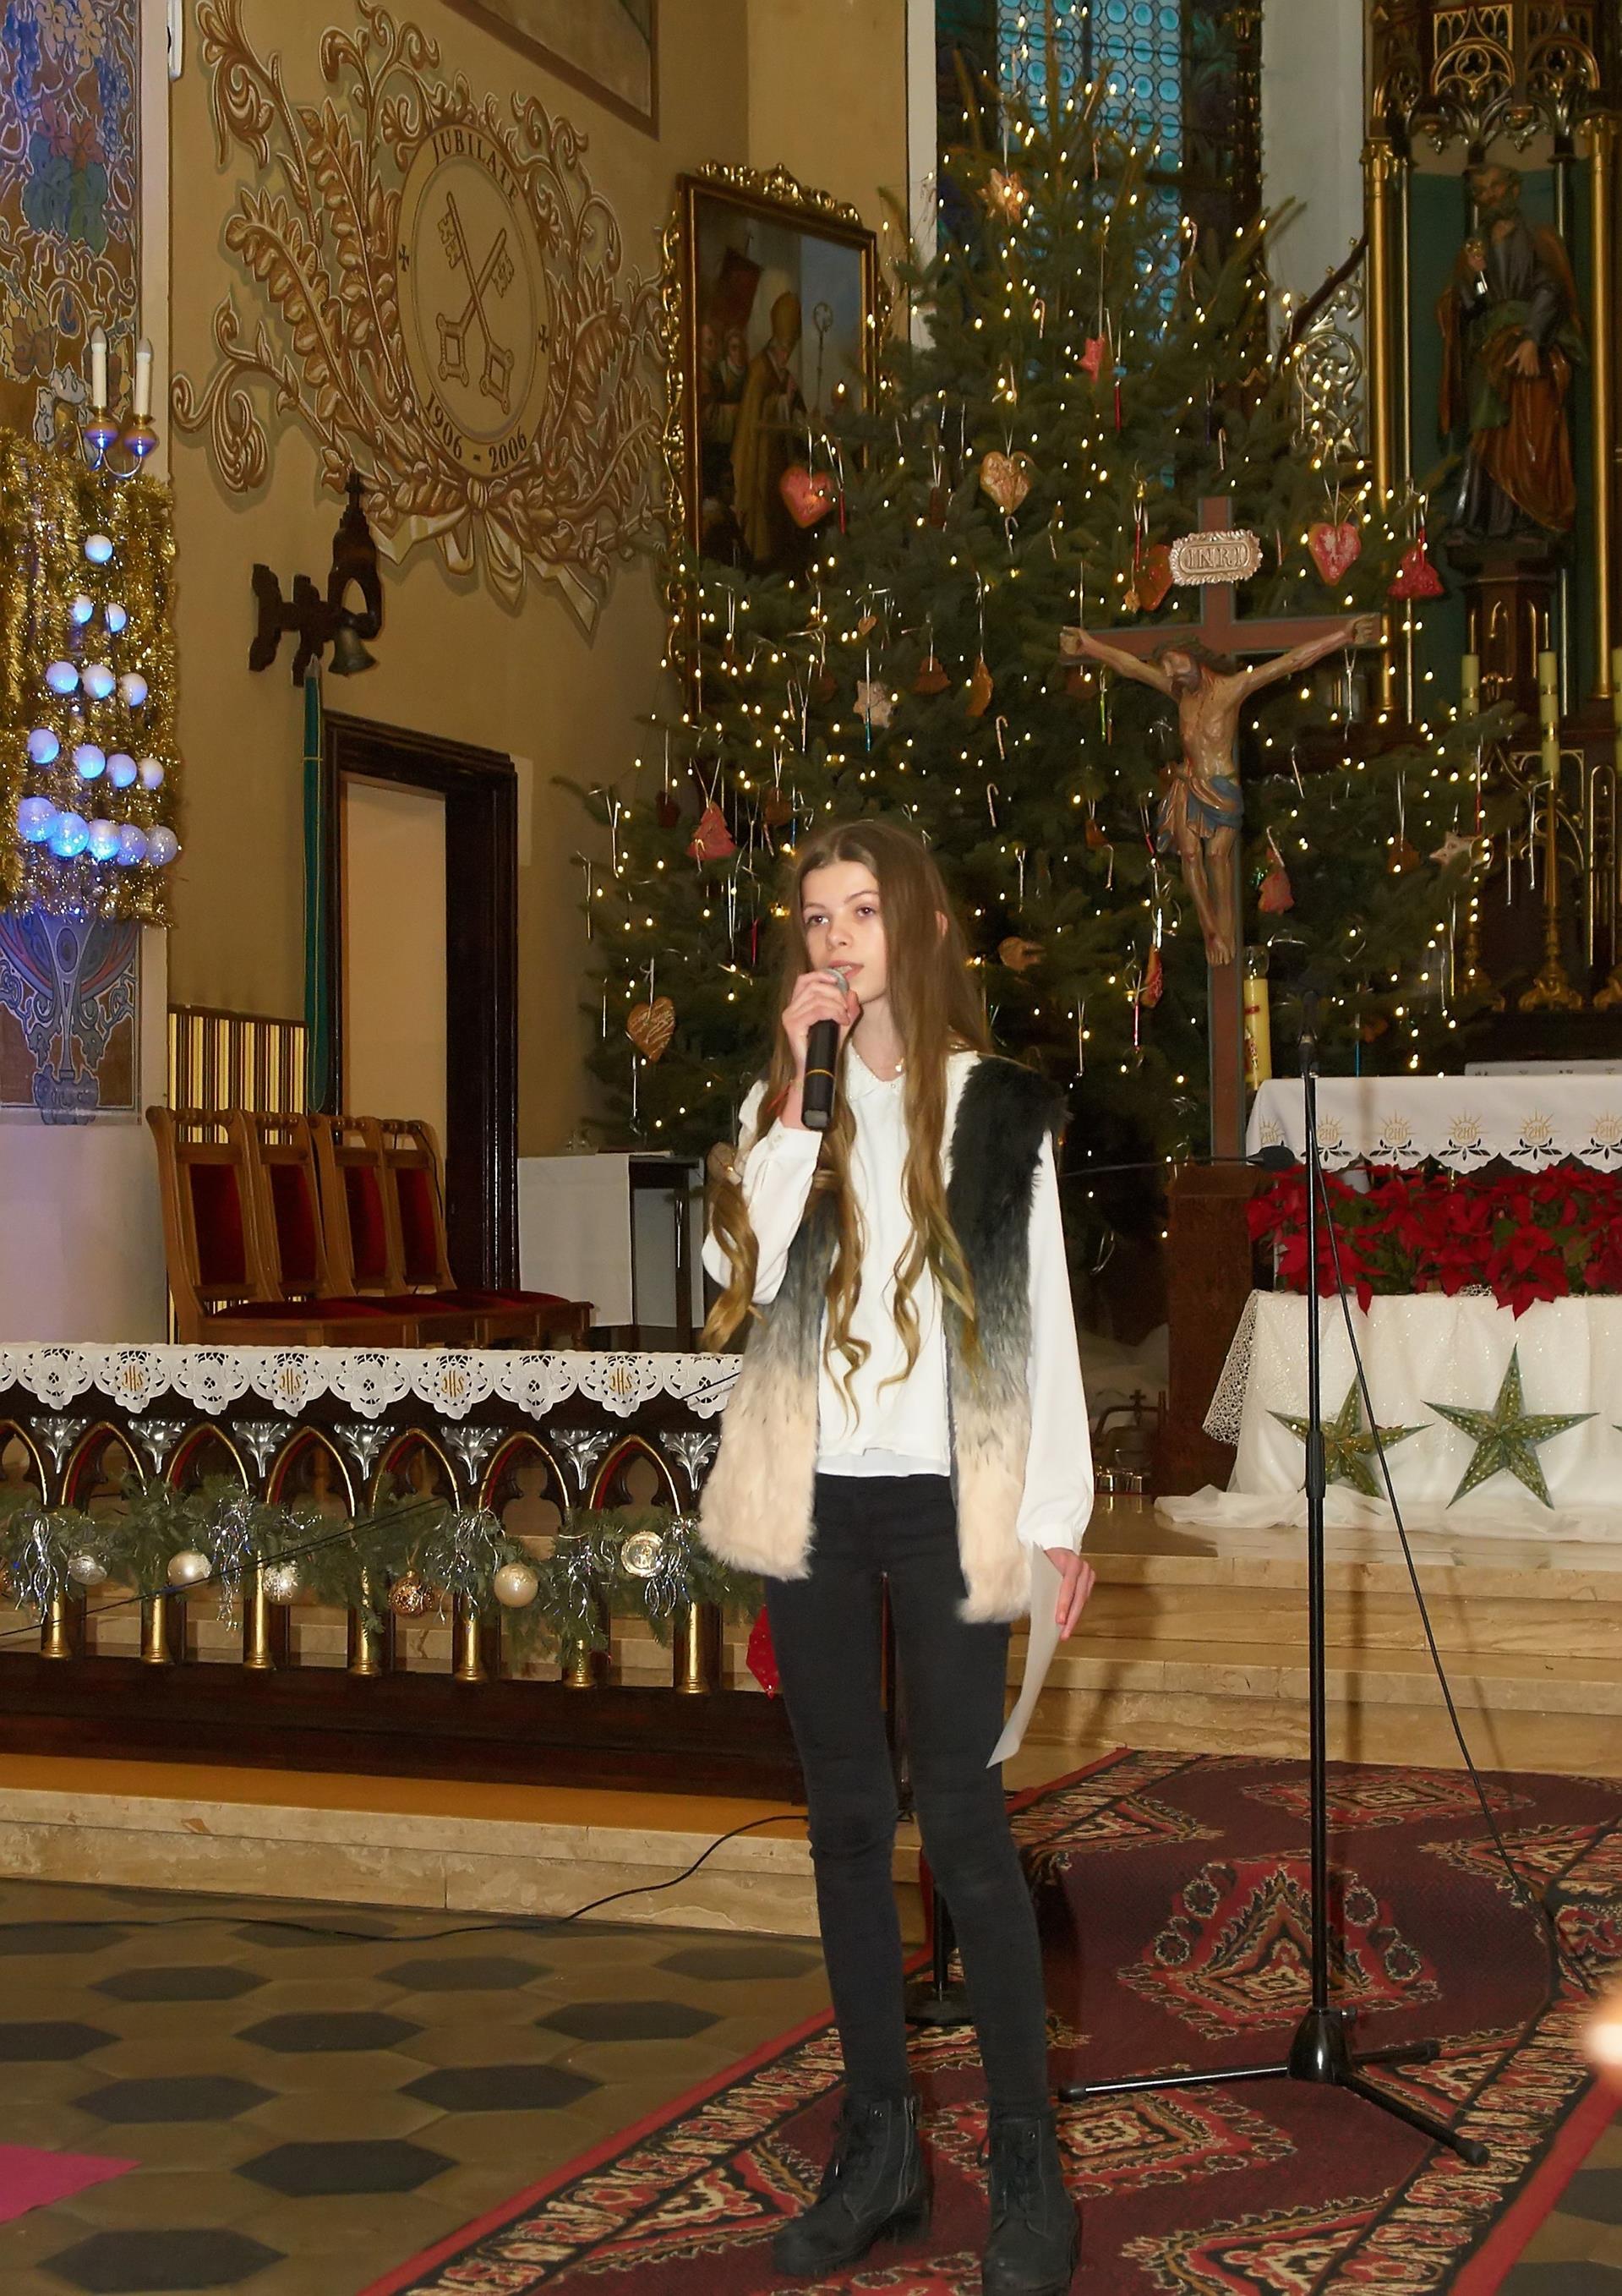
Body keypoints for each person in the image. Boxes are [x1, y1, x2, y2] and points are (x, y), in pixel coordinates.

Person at [699, 817, 1096, 2295]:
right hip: (813, 1492)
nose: (834, 941)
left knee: (966, 1828)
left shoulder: (996, 1109)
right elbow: (733, 1273)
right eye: (815, 919)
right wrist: (794, 1107)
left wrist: (1055, 1520)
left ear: (919, 928)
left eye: (860, 913)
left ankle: (1027, 2173)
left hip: (946, 1495)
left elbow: (1043, 1320)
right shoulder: (785, 1105)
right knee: (844, 1824)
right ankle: (878, 2153)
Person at [1062, 620, 1372, 966]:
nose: (1170, 672)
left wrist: (1343, 636)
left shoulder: (1231, 689)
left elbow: (1292, 661)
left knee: (1216, 856)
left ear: (1194, 657)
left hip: (1221, 787)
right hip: (1188, 784)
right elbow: (1130, 667)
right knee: (1190, 856)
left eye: (1175, 662)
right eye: (1165, 665)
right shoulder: (1179, 693)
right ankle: (1211, 930)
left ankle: (1226, 929)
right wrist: (1089, 646)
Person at [1439, 161, 1583, 548]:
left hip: (1529, 345)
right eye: (1480, 192)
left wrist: (1533, 338)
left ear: (1514, 189)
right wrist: (1474, 277)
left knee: (1529, 430)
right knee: (1485, 434)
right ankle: (1480, 520)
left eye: (1495, 187)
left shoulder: (1538, 237)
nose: (1489, 197)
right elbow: (1474, 305)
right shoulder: (1474, 248)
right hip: (1489, 349)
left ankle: (1529, 516)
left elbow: (1551, 288)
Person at [730, 289, 807, 569]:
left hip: (780, 465)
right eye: (784, 349)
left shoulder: (783, 374)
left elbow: (795, 413)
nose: (786, 355)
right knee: (764, 534)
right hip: (760, 466)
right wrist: (783, 401)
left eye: (789, 349)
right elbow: (753, 420)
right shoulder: (759, 371)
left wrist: (798, 410)